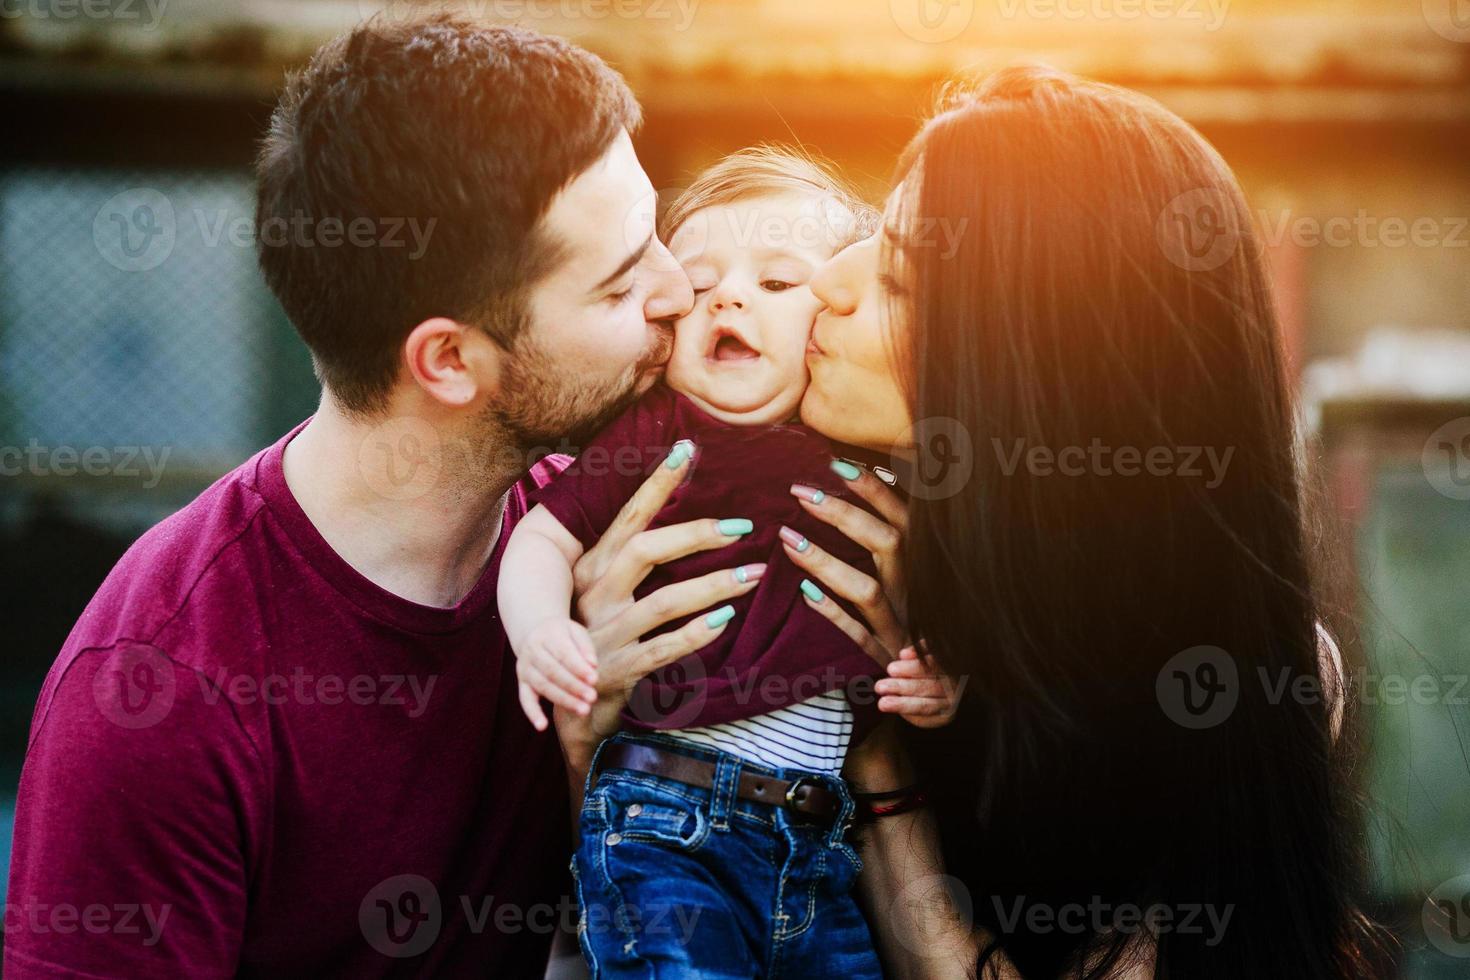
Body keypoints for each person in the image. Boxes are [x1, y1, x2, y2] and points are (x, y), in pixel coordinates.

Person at [3, 18, 767, 976]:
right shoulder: (160, 698)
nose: (677, 291)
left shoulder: (606, 552)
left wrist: (592, 755)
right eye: (618, 289)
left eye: (656, 234)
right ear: (447, 360)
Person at [792, 65, 1392, 978]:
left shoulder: (1225, 687)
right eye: (872, 231)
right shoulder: (773, 544)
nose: (825, 286)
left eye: (904, 284)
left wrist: (881, 762)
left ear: (1043, 377)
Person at [500, 147, 961, 976]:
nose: (730, 296)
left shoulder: (876, 458)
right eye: (700, 283)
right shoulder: (654, 435)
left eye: (779, 284)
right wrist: (541, 628)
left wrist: (933, 680)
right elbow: (541, 536)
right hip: (663, 815)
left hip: (816, 840)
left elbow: (939, 619)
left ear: (828, 319)